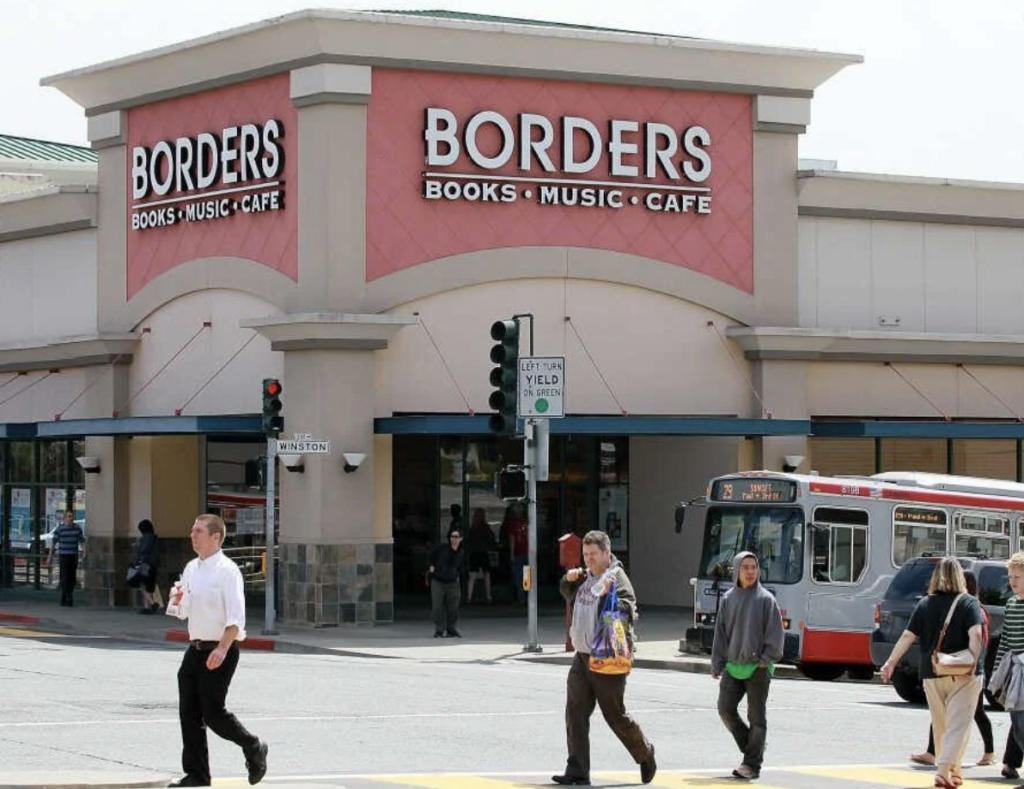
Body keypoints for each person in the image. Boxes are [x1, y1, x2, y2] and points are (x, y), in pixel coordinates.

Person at [166, 514, 268, 787]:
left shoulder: (228, 571)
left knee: (213, 713)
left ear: (215, 537)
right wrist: (177, 603)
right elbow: (185, 609)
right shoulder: (190, 568)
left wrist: (223, 649)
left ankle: (253, 746)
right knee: (189, 713)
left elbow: (236, 618)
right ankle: (197, 775)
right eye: (192, 530)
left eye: (198, 531)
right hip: (195, 648)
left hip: (220, 648)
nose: (192, 535)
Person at [551, 529, 656, 786]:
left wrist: (607, 594)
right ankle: (577, 770)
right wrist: (569, 579)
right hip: (582, 656)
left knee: (614, 715)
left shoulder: (616, 578)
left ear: (606, 553)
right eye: (585, 555)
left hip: (607, 658)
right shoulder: (586, 576)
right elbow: (567, 593)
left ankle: (645, 753)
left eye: (593, 554)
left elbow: (627, 611)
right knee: (575, 713)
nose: (589, 560)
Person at [881, 557, 984, 789]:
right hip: (963, 673)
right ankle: (942, 770)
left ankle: (953, 770)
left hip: (932, 671)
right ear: (960, 577)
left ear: (936, 577)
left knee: (941, 724)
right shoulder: (968, 603)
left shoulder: (925, 603)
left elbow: (908, 636)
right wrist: (973, 663)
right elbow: (976, 635)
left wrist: (890, 663)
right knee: (959, 724)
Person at [909, 571, 995, 768]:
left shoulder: (973, 608)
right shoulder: (962, 606)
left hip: (968, 669)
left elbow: (980, 639)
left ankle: (989, 752)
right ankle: (933, 752)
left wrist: (974, 665)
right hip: (955, 666)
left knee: (977, 711)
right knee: (942, 710)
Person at [711, 551, 784, 781]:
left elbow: (775, 634)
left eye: (754, 567)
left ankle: (751, 765)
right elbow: (721, 633)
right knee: (725, 709)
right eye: (746, 567)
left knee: (757, 719)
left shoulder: (766, 599)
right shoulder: (728, 599)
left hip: (758, 668)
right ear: (737, 570)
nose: (751, 571)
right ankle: (755, 747)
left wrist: (765, 659)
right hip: (733, 666)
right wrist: (717, 662)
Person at [992, 551, 1024, 786]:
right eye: (1011, 576)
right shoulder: (1012, 604)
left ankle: (1010, 763)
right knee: (1018, 720)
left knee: (1021, 721)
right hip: (1015, 672)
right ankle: (1010, 763)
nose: (1012, 581)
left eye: (1018, 577)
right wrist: (997, 673)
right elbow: (1004, 640)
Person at [429, 528, 464, 638]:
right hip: (438, 580)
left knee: (453, 607)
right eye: (452, 537)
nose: (453, 539)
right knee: (437, 606)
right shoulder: (442, 548)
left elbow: (456, 564)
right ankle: (439, 629)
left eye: (456, 537)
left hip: (453, 582)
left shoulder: (460, 552)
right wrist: (431, 566)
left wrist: (454, 550)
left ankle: (451, 629)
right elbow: (431, 556)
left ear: (461, 539)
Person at [48, 510, 85, 607]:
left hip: (73, 555)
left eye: (72, 516)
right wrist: (49, 557)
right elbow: (53, 543)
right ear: (64, 518)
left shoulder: (77, 528)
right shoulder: (60, 529)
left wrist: (84, 552)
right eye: (69, 516)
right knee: (65, 576)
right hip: (64, 555)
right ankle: (67, 596)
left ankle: (67, 595)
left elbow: (82, 541)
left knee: (72, 576)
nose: (71, 518)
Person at [130, 519, 164, 614]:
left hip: (146, 564)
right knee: (148, 585)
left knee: (142, 584)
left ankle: (152, 604)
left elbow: (144, 550)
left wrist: (137, 547)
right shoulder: (154, 538)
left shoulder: (147, 538)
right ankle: (147, 607)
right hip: (153, 564)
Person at [466, 508, 495, 605]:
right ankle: (488, 596)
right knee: (487, 575)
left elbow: (468, 541)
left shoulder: (473, 528)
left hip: (474, 553)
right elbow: (491, 538)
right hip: (483, 552)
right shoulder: (485, 527)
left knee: (472, 576)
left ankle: (469, 597)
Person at [504, 503, 529, 604]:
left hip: (518, 553)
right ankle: (527, 598)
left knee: (519, 577)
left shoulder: (513, 524)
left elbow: (512, 540)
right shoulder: (527, 523)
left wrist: (512, 555)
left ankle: (521, 599)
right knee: (526, 577)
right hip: (527, 554)